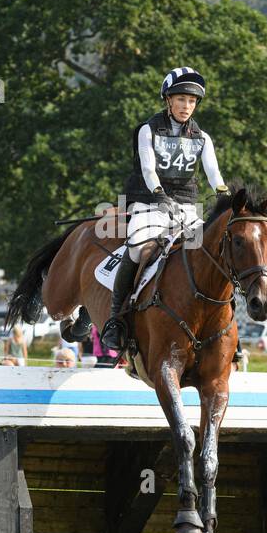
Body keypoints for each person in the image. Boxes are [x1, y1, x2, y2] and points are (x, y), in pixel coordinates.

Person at [101, 65, 230, 351]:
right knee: (137, 248)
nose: (187, 106)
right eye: (181, 99)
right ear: (168, 100)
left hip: (185, 204)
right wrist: (160, 195)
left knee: (211, 254)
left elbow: (214, 174)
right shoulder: (148, 130)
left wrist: (225, 195)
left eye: (192, 101)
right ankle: (116, 320)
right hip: (149, 202)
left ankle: (223, 323)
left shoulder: (202, 137)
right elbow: (148, 170)